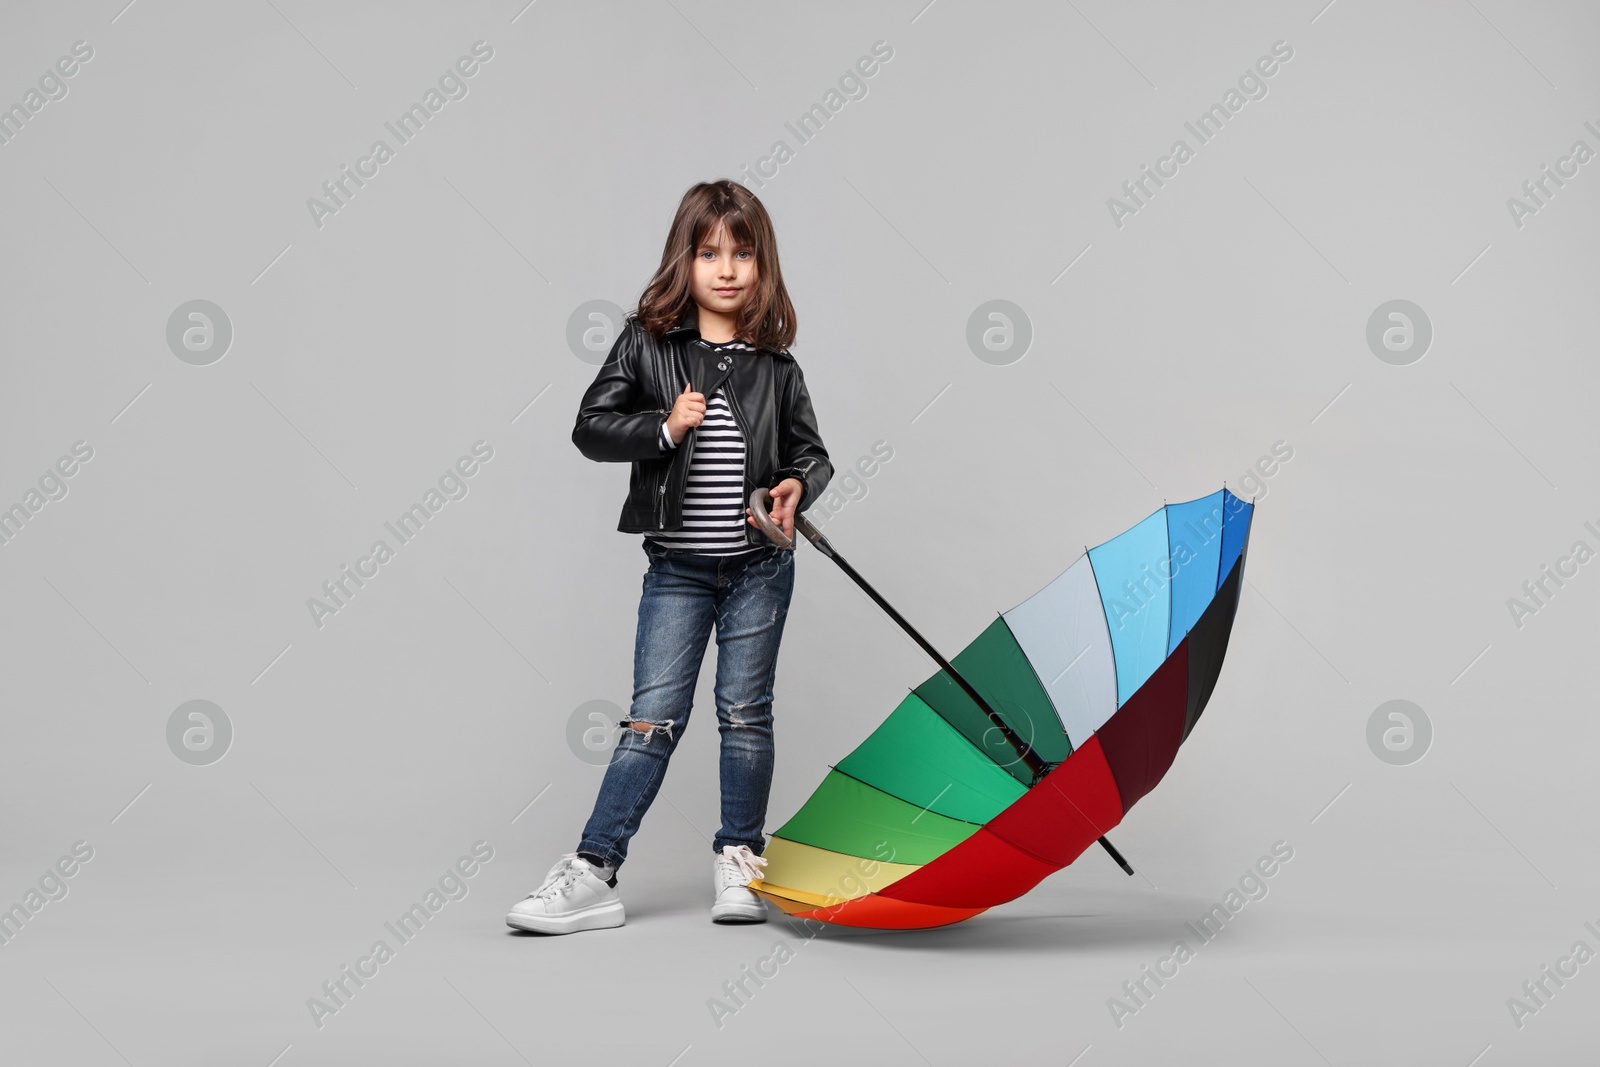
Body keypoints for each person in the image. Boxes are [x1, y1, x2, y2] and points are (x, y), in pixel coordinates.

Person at [507, 180, 833, 934]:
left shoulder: (777, 367)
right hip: (678, 570)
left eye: (743, 253)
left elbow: (813, 456)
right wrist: (662, 425)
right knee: (651, 719)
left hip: (759, 567)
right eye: (710, 252)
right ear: (683, 260)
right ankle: (593, 870)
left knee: (746, 714)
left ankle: (740, 859)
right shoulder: (647, 344)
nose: (727, 269)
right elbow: (591, 426)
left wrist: (795, 485)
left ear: (763, 265)